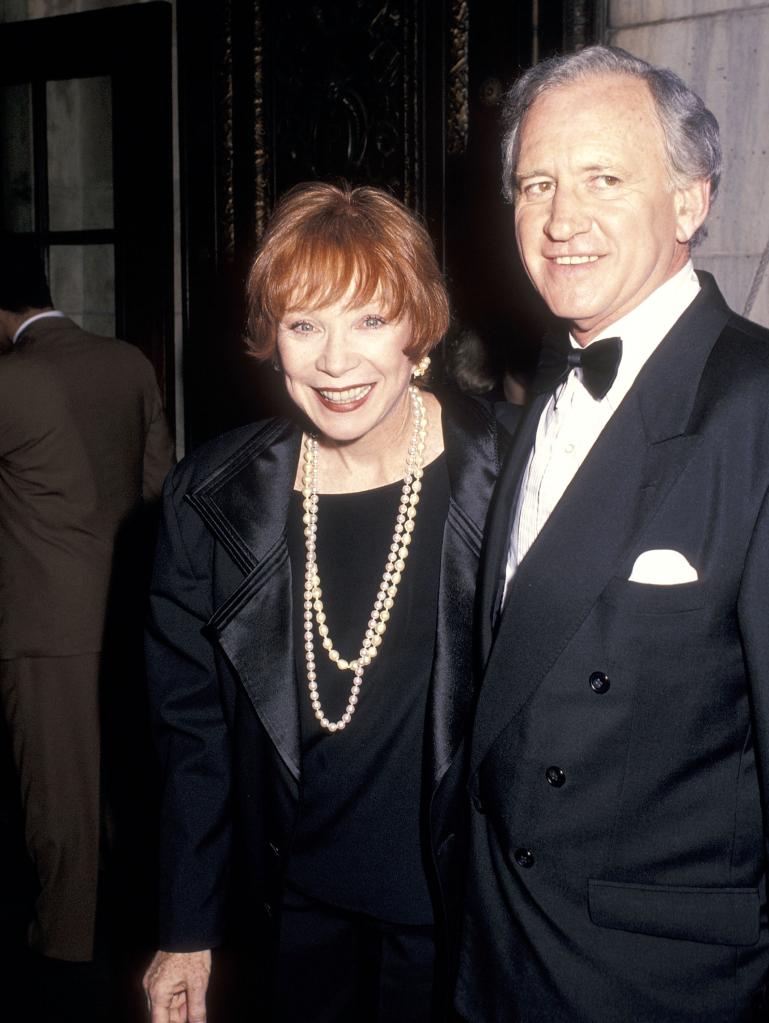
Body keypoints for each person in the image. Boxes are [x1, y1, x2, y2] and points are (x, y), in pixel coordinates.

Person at [455, 45, 769, 1022]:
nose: (559, 220)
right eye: (535, 183)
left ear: (689, 203)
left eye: (603, 178)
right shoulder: (545, 385)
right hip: (496, 949)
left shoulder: (756, 406)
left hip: (659, 979)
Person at [142, 181, 506, 1022]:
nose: (334, 362)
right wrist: (184, 928)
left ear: (419, 327)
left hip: (458, 923)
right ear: (273, 342)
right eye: (304, 325)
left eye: (369, 320)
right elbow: (191, 734)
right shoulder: (210, 495)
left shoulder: (516, 470)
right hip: (289, 923)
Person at [0, 238, 173, 980]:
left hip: (44, 625)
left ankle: (61, 957)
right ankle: (124, 939)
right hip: (126, 611)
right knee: (115, 792)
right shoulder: (129, 362)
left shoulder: (14, 379)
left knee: (56, 801)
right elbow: (159, 485)